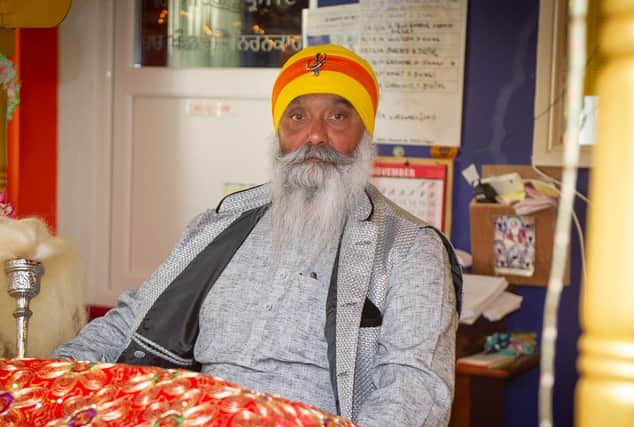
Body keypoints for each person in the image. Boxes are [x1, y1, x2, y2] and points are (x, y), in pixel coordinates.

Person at [53, 44, 462, 427]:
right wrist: (55, 377)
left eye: (337, 117)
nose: (315, 135)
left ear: (364, 133)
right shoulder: (219, 222)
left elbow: (416, 390)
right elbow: (131, 321)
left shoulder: (410, 248)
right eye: (297, 116)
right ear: (280, 132)